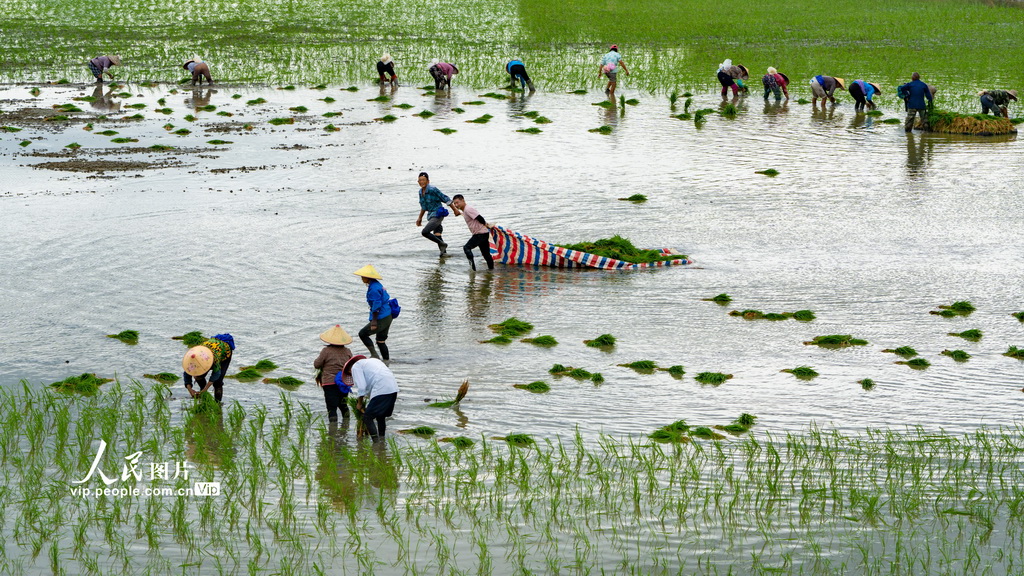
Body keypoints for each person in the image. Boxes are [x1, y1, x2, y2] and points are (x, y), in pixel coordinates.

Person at [341, 355, 399, 442]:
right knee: (381, 416)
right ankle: (382, 440)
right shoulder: (373, 361)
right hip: (393, 388)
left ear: (349, 370)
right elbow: (371, 384)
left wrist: (359, 403)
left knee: (367, 417)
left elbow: (362, 387)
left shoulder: (355, 367)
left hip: (381, 388)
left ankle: (376, 443)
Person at [314, 324, 355, 422]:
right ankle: (346, 426)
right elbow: (351, 366)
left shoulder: (326, 351)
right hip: (343, 382)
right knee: (343, 405)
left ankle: (332, 431)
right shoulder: (347, 351)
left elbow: (317, 364)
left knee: (331, 408)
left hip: (329, 382)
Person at [354, 265, 394, 363]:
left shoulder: (373, 289)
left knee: (363, 334)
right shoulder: (377, 285)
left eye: (363, 276)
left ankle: (374, 355)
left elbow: (376, 306)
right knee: (381, 340)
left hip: (381, 316)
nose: (361, 278)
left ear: (368, 277)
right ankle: (386, 361)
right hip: (388, 315)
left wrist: (374, 321)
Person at [181, 333, 235, 402]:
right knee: (199, 377)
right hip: (207, 350)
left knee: (217, 382)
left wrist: (205, 389)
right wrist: (190, 390)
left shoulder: (214, 359)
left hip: (224, 352)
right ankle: (204, 399)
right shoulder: (192, 361)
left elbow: (216, 374)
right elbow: (187, 374)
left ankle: (217, 405)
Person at [450, 194, 495, 271]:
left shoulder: (468, 209)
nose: (456, 205)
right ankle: (491, 271)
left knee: (466, 248)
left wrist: (486, 224)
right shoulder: (465, 210)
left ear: (463, 201)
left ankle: (472, 270)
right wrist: (459, 213)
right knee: (486, 254)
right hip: (483, 233)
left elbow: (479, 218)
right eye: (455, 204)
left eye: (458, 202)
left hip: (480, 234)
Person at [415, 171, 453, 255]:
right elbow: (424, 206)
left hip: (438, 214)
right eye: (420, 180)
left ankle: (443, 244)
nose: (422, 182)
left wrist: (455, 210)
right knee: (437, 234)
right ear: (418, 182)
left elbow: (445, 198)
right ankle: (444, 254)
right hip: (431, 215)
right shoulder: (420, 192)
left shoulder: (433, 189)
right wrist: (419, 218)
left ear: (428, 181)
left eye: (423, 180)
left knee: (425, 232)